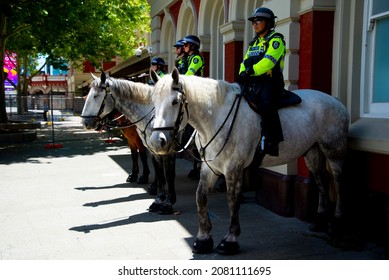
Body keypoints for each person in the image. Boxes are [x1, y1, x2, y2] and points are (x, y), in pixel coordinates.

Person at [238, 7, 286, 156]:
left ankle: (272, 141)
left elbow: (268, 62)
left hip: (270, 82)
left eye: (258, 20)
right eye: (253, 21)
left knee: (266, 103)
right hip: (252, 81)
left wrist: (250, 71)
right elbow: (244, 61)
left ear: (268, 23)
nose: (255, 24)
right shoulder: (254, 43)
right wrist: (242, 73)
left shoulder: (276, 40)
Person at [181, 35, 204, 178]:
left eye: (186, 45)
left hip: (197, 93)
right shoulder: (185, 59)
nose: (184, 47)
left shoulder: (196, 58)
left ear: (193, 46)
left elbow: (188, 75)